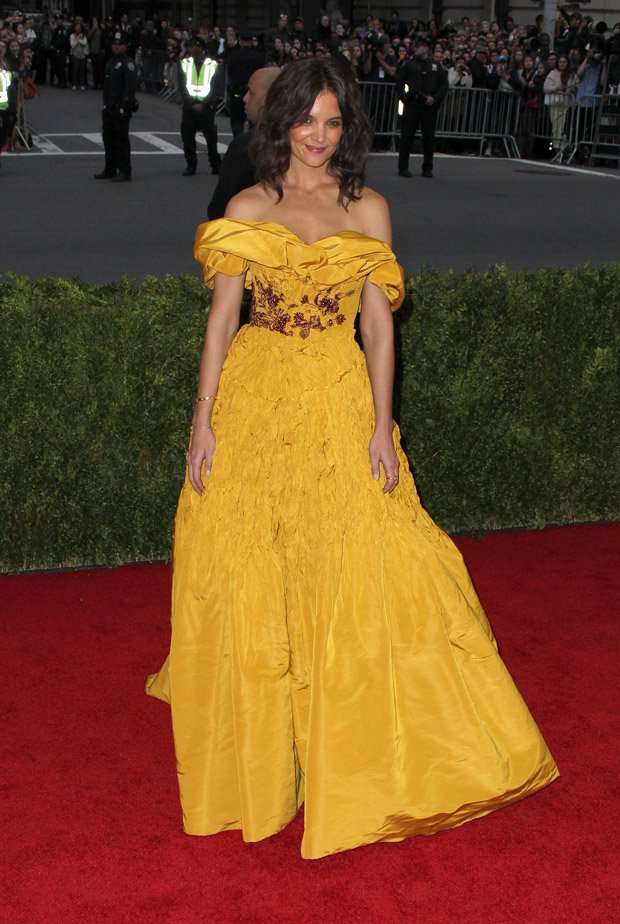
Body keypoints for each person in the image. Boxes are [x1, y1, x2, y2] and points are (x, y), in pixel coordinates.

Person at [146, 56, 559, 861]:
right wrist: (202, 424)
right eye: (306, 121)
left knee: (361, 556)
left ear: (347, 130)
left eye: (334, 123)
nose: (318, 137)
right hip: (258, 396)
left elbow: (379, 326)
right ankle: (268, 749)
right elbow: (222, 322)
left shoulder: (368, 209)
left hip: (337, 395)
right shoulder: (246, 206)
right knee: (255, 564)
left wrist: (382, 424)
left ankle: (356, 745)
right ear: (282, 123)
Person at [207, 67, 279, 220]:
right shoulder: (303, 144)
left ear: (271, 98)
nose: (245, 98)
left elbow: (220, 208)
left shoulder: (246, 147)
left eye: (251, 93)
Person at [396, 35, 448, 178]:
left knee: (428, 138)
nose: (415, 48)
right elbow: (398, 81)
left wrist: (435, 98)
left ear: (426, 48)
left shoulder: (435, 65)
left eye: (418, 46)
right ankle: (403, 167)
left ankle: (427, 167)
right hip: (412, 103)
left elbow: (444, 85)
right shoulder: (409, 64)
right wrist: (404, 99)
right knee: (407, 136)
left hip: (429, 104)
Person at [94, 32, 136, 182]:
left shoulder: (128, 64)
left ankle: (125, 171)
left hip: (120, 106)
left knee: (121, 141)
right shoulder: (110, 62)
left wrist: (124, 107)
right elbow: (107, 87)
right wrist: (105, 105)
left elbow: (130, 89)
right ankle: (110, 168)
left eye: (119, 44)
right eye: (114, 44)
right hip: (109, 106)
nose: (116, 47)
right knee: (108, 139)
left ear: (124, 46)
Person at [179, 36, 221, 177]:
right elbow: (182, 86)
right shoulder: (185, 63)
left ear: (201, 48)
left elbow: (215, 88)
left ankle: (215, 164)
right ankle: (191, 164)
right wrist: (191, 103)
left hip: (206, 107)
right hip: (190, 106)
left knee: (210, 137)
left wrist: (203, 104)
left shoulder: (211, 65)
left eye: (194, 46)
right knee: (188, 136)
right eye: (189, 47)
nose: (191, 49)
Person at [225, 31, 264, 137]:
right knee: (253, 118)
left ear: (240, 42)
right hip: (253, 91)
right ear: (251, 42)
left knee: (237, 119)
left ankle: (238, 140)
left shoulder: (233, 56)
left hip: (237, 89)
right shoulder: (258, 57)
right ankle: (250, 140)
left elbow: (230, 73)